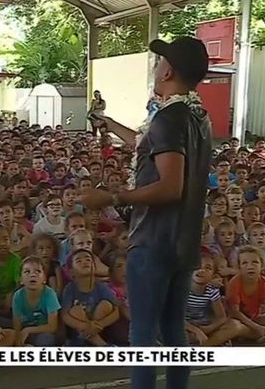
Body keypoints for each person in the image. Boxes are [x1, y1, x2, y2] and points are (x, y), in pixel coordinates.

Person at [84, 36, 212, 389]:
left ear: (168, 70)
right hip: (182, 241)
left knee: (142, 335)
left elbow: (171, 186)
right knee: (172, 329)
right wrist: (109, 124)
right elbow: (151, 147)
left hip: (154, 240)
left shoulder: (169, 118)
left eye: (159, 64)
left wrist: (112, 197)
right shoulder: (196, 115)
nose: (156, 69)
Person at [12, 256, 60, 346]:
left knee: (46, 339)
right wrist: (19, 343)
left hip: (43, 331)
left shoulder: (50, 294)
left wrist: (28, 330)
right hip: (24, 331)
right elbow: (16, 325)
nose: (32, 275)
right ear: (21, 280)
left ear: (44, 279)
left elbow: (52, 326)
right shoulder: (18, 296)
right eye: (27, 272)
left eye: (37, 271)